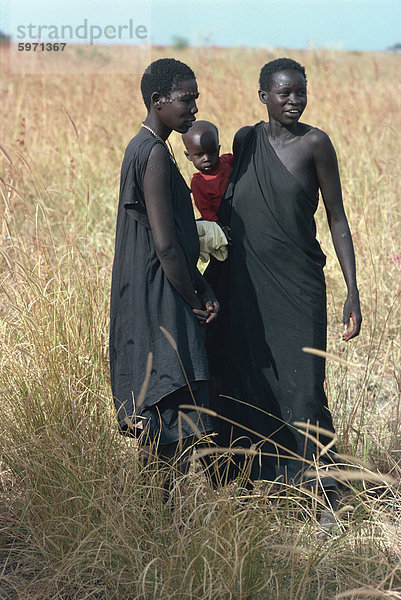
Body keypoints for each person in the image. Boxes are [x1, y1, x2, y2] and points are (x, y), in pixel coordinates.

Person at [209, 58, 362, 514]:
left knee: (305, 389)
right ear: (263, 98)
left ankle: (321, 495)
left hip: (299, 289)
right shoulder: (245, 140)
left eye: (300, 92)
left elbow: (337, 217)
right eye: (283, 93)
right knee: (249, 377)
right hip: (247, 290)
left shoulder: (316, 144)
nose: (294, 100)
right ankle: (267, 484)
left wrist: (353, 289)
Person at [109, 58, 219, 484]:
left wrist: (201, 281)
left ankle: (157, 524)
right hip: (161, 295)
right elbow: (167, 244)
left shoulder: (147, 146)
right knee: (168, 413)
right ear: (158, 101)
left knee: (165, 419)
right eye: (186, 99)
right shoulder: (152, 153)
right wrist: (194, 300)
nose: (194, 107)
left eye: (195, 98)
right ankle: (158, 524)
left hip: (157, 287)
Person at [182, 120, 233, 222]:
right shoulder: (199, 182)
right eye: (200, 155)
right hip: (222, 221)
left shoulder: (228, 161)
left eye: (212, 152)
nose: (207, 158)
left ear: (218, 149)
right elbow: (205, 210)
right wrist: (219, 226)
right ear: (189, 156)